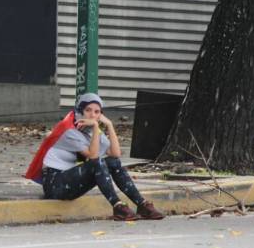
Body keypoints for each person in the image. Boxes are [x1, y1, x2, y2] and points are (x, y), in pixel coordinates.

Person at [26, 93, 164, 221]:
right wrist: (97, 124)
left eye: (97, 112)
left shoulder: (91, 128)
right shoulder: (68, 129)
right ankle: (118, 206)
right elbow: (93, 156)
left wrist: (109, 125)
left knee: (112, 162)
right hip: (55, 185)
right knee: (96, 162)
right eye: (88, 110)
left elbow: (115, 154)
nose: (92, 115)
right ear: (80, 110)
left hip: (70, 180)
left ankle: (142, 204)